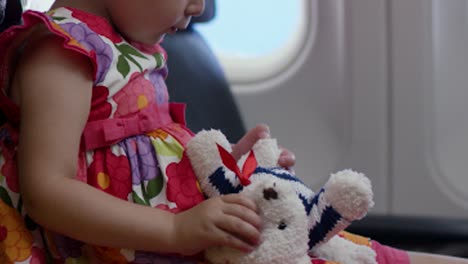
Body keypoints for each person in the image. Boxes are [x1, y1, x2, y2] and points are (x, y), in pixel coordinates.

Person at [0, 0, 466, 263]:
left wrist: (233, 166)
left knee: (362, 253)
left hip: (187, 232)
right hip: (138, 247)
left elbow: (141, 156)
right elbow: (50, 190)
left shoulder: (128, 47)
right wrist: (176, 229)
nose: (201, 6)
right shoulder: (62, 53)